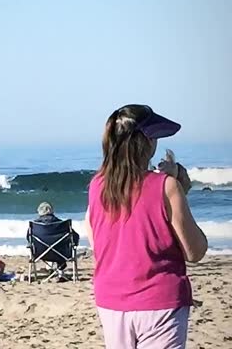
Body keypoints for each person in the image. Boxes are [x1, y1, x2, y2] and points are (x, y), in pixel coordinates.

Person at [86, 104, 207, 349]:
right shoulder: (165, 187)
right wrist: (179, 189)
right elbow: (195, 251)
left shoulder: (97, 185)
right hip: (158, 300)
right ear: (147, 142)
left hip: (111, 300)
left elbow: (95, 240)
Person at [34, 202, 80, 280]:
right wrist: (74, 245)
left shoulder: (34, 225)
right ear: (52, 211)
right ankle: (60, 273)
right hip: (61, 254)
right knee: (59, 245)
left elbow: (29, 238)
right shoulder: (62, 224)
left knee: (49, 245)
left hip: (39, 253)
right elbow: (75, 236)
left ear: (39, 212)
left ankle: (49, 268)